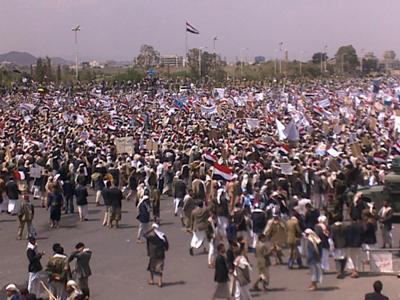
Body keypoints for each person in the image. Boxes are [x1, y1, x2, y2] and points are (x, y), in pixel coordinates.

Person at [145, 223, 169, 288]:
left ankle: (151, 280)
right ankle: (160, 282)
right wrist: (165, 249)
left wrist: (150, 230)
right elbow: (166, 245)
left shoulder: (151, 235)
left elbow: (144, 234)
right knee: (159, 268)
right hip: (160, 254)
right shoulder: (162, 235)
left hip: (153, 253)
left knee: (151, 267)